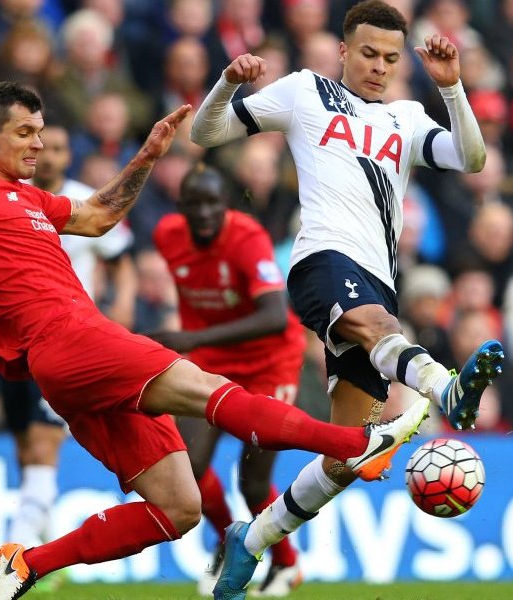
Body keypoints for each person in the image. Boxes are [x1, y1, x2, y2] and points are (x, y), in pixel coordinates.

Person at [0, 81, 429, 600]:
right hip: (68, 338)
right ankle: (354, 444)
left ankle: (27, 563)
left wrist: (150, 153)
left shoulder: (30, 199)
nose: (38, 144)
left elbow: (99, 216)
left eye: (40, 132)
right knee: (206, 386)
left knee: (179, 509)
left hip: (64, 363)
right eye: (26, 133)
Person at [189, 2, 505, 597]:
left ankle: (250, 541)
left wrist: (454, 88)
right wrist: (226, 85)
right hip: (320, 262)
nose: (378, 67)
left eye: (390, 57)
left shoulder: (408, 119)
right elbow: (205, 133)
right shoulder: (305, 92)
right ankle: (445, 388)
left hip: (376, 278)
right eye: (367, 53)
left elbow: (472, 158)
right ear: (342, 49)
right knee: (376, 322)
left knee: (346, 457)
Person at [152, 165, 305, 596]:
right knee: (188, 466)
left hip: (269, 363)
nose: (203, 212)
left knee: (251, 481)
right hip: (211, 362)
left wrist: (191, 336)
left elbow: (276, 317)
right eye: (193, 204)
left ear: (227, 206)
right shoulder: (167, 235)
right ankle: (228, 538)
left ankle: (287, 563)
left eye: (212, 203)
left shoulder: (247, 239)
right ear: (179, 207)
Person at [2, 123, 138, 584]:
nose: (49, 155)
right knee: (25, 450)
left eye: (59, 147)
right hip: (9, 340)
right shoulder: (8, 198)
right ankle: (41, 555)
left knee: (43, 446)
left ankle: (12, 561)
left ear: (67, 156)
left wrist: (120, 305)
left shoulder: (84, 201)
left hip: (64, 339)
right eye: (43, 146)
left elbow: (122, 262)